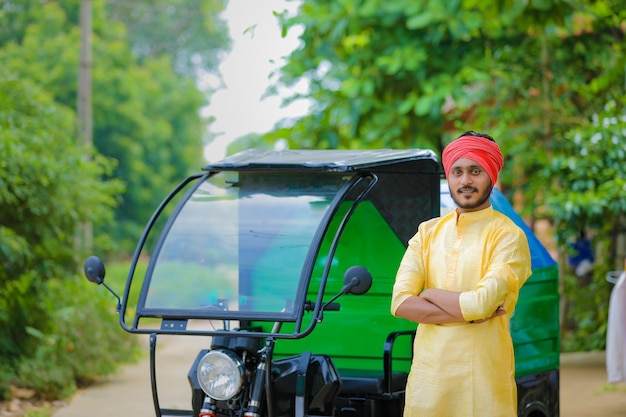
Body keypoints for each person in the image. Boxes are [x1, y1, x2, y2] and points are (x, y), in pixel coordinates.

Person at [391, 131, 532, 417]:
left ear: (491, 176)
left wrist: (429, 294)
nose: (465, 180)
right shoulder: (426, 233)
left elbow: (482, 304)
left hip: (483, 386)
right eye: (457, 171)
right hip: (427, 386)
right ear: (449, 177)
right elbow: (401, 303)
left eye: (475, 171)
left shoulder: (508, 236)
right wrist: (471, 313)